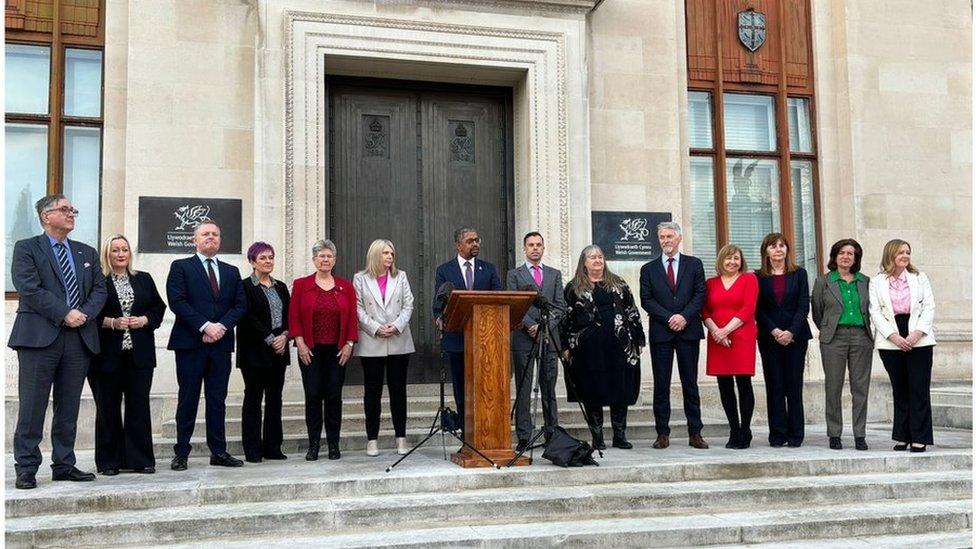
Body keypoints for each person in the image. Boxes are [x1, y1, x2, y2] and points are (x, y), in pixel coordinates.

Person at [9, 194, 107, 490]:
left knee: (69, 407)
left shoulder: (86, 253)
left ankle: (64, 464)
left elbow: (100, 291)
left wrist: (83, 315)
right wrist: (65, 313)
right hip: (39, 338)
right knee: (32, 407)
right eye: (64, 210)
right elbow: (28, 287)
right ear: (45, 216)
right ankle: (26, 467)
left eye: (72, 209)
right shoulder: (26, 248)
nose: (71, 214)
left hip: (78, 339)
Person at [166, 221, 247, 470]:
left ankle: (219, 452)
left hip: (220, 345)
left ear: (220, 240)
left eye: (215, 234)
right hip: (190, 344)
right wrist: (204, 326)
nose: (210, 237)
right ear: (195, 239)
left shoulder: (232, 271)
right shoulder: (181, 267)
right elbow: (177, 301)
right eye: (205, 234)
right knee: (188, 398)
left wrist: (220, 327)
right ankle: (181, 452)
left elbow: (240, 306)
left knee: (217, 400)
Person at [90, 234, 167, 475]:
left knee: (138, 406)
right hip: (106, 356)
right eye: (115, 250)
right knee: (107, 408)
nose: (121, 254)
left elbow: (158, 307)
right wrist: (112, 323)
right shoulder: (97, 281)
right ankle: (109, 462)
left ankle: (140, 459)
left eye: (124, 249)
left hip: (139, 355)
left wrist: (145, 319)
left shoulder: (143, 279)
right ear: (107, 254)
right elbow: (88, 314)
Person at [560, 245, 644, 450]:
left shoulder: (618, 283)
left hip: (618, 346)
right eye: (592, 257)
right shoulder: (573, 288)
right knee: (592, 390)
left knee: (620, 388)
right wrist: (565, 346)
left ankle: (620, 436)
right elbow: (566, 318)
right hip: (588, 350)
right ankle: (597, 437)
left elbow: (632, 311)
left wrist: (638, 339)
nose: (597, 260)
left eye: (600, 256)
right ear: (584, 262)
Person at [638, 221, 709, 450]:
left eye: (669, 236)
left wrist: (684, 317)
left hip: (688, 331)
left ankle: (695, 432)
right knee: (661, 385)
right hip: (662, 332)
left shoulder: (694, 264)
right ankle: (662, 433)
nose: (665, 241)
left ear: (679, 238)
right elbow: (646, 300)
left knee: (690, 383)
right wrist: (670, 317)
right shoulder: (648, 269)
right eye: (662, 237)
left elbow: (700, 294)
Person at [290, 239, 358, 461]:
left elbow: (352, 319)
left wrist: (349, 344)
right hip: (310, 350)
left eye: (329, 256)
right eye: (321, 256)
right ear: (314, 260)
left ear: (335, 260)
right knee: (312, 396)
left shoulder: (346, 286)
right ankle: (313, 445)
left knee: (333, 397)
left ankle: (333, 445)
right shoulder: (301, 285)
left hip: (337, 351)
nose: (325, 259)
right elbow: (294, 317)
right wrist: (299, 343)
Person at [869, 239, 936, 452]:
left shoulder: (920, 277)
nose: (905, 256)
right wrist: (893, 336)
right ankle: (903, 435)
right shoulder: (877, 281)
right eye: (900, 253)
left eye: (907, 252)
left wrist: (916, 334)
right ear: (890, 255)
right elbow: (875, 312)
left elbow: (929, 306)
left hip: (920, 336)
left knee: (918, 388)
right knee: (900, 388)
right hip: (891, 338)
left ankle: (920, 437)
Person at [432, 227, 502, 431]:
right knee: (462, 390)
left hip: (485, 340)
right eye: (470, 241)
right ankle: (466, 432)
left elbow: (498, 299)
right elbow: (438, 305)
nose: (476, 244)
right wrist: (439, 318)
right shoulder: (445, 270)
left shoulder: (488, 269)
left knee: (485, 388)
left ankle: (486, 430)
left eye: (477, 240)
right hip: (456, 340)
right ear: (458, 245)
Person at [353, 239, 415, 457]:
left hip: (398, 341)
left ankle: (401, 438)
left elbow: (408, 305)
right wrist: (376, 328)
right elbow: (358, 308)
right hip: (372, 342)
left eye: (392, 253)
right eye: (385, 253)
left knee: (398, 391)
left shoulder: (402, 276)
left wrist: (396, 326)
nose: (389, 257)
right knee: (372, 392)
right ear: (375, 255)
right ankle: (372, 440)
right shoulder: (360, 279)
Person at [811, 239, 873, 451]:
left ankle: (860, 434)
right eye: (842, 253)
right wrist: (829, 329)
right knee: (833, 386)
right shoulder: (823, 282)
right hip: (833, 338)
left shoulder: (865, 281)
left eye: (851, 254)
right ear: (835, 256)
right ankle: (834, 434)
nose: (846, 257)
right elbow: (818, 312)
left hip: (861, 337)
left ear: (856, 258)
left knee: (860, 388)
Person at [506, 232, 566, 452]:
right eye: (531, 245)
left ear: (543, 248)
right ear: (524, 248)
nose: (535, 248)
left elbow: (560, 306)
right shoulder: (514, 275)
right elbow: (513, 303)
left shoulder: (554, 274)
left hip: (549, 338)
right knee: (523, 387)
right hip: (524, 338)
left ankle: (552, 433)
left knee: (548, 387)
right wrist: (531, 324)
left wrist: (543, 327)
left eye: (539, 245)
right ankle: (524, 435)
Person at [755, 233, 813, 448]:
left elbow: (802, 306)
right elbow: (758, 308)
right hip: (769, 338)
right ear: (766, 251)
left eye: (782, 245)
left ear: (787, 249)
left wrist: (790, 332)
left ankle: (796, 434)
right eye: (773, 246)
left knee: (793, 385)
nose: (778, 249)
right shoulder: (758, 277)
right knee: (775, 385)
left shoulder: (799, 273)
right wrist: (774, 330)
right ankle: (778, 434)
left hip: (796, 338)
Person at [237, 242, 291, 463]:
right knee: (253, 398)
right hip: (254, 351)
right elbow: (247, 317)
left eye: (271, 257)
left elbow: (290, 315)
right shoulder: (244, 286)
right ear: (252, 262)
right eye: (263, 258)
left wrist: (285, 336)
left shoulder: (281, 287)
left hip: (279, 351)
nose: (268, 261)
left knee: (275, 399)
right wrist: (270, 339)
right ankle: (252, 448)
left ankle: (273, 446)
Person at [702, 244, 759, 449]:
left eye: (736, 258)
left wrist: (725, 331)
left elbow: (748, 309)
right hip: (717, 338)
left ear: (741, 261)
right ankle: (734, 429)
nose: (732, 262)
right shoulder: (710, 283)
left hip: (741, 336)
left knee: (744, 384)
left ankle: (746, 430)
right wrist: (717, 332)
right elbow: (705, 311)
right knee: (724, 386)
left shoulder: (749, 279)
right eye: (728, 258)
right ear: (721, 261)